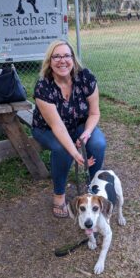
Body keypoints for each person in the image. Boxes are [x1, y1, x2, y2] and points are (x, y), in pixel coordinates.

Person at [32, 40, 106, 218]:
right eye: (56, 56)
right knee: (62, 149)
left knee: (98, 143)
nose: (62, 60)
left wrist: (87, 132)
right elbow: (57, 126)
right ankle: (59, 194)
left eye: (66, 55)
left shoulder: (86, 78)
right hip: (47, 129)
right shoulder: (43, 87)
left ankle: (94, 189)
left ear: (73, 58)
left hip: (78, 124)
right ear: (49, 62)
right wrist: (75, 153)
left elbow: (95, 113)